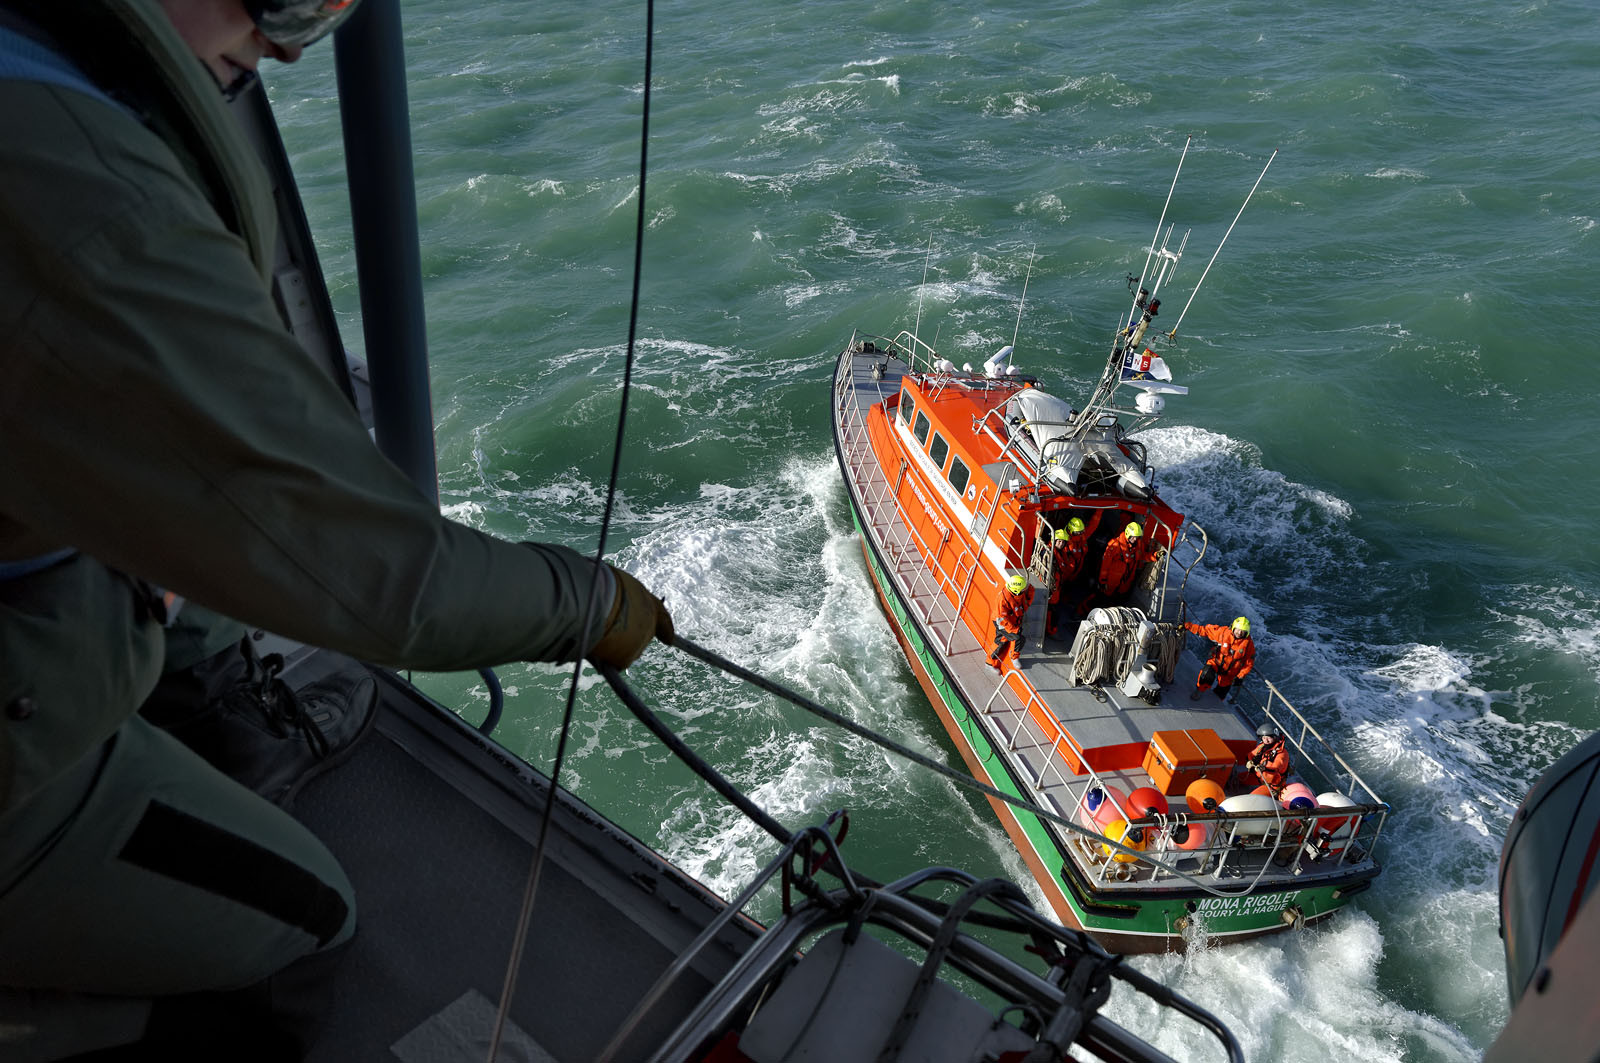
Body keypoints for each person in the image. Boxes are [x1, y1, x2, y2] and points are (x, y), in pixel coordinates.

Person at [0, 0, 672, 1055]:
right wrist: (596, 603)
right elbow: (380, 580)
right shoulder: (81, 193)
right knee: (305, 922)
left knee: (195, 619)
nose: (294, 38)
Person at [1185, 615, 1256, 701]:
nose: (1239, 633)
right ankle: (1199, 691)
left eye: (1243, 631)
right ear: (1233, 628)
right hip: (1216, 662)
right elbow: (1205, 630)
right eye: (1238, 629)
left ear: (1246, 633)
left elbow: (1249, 663)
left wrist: (1240, 676)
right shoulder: (1223, 632)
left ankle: (1215, 701)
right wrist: (1187, 626)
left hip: (1230, 672)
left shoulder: (1248, 645)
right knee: (1206, 674)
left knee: (1221, 693)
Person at [1045, 517, 1086, 638]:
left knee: (1054, 612)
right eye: (1059, 541)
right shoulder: (1049, 554)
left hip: (1058, 587)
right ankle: (1050, 632)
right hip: (1052, 590)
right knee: (1052, 614)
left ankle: (1051, 630)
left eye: (1063, 542)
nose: (1061, 543)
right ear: (1054, 540)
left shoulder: (1061, 553)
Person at [987, 572, 1033, 671]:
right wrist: (1014, 629)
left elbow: (1027, 598)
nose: (1026, 589)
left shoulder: (1018, 594)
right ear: (1017, 591)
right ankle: (1013, 657)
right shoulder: (1003, 599)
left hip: (1011, 620)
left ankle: (990, 663)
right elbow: (1002, 618)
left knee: (1002, 641)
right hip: (1002, 622)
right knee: (1016, 638)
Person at [1094, 520, 1145, 603]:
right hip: (1110, 583)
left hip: (1123, 584)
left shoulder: (1136, 547)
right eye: (1133, 536)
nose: (1135, 539)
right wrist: (1102, 581)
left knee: (1114, 602)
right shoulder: (1115, 545)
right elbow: (1105, 565)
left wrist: (1155, 555)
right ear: (1128, 534)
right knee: (1099, 599)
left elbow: (1142, 556)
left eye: (1137, 537)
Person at [1244, 722, 1290, 797]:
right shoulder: (1262, 746)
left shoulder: (1282, 754)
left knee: (1251, 798)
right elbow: (1251, 755)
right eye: (1264, 738)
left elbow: (1274, 771)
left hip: (1271, 786)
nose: (1266, 740)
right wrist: (1250, 762)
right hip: (1259, 777)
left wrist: (1263, 768)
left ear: (1275, 737)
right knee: (1238, 780)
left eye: (1268, 738)